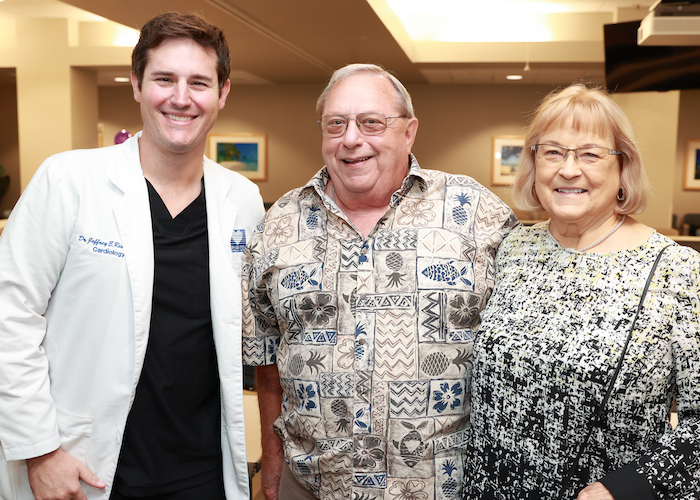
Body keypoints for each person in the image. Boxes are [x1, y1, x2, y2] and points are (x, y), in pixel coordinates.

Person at [0, 12, 265, 500]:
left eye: (199, 82)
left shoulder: (242, 200)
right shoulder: (69, 181)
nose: (181, 97)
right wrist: (40, 450)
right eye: (164, 78)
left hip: (202, 468)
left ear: (223, 93)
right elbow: (9, 316)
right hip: (88, 464)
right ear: (137, 85)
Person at [242, 63, 517, 500]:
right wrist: (271, 464)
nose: (352, 139)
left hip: (442, 487)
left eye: (372, 122)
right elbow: (266, 356)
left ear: (408, 132)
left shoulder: (476, 214)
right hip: (311, 485)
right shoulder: (279, 225)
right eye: (336, 123)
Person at [463, 84, 700, 500]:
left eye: (590, 154)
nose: (568, 170)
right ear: (534, 164)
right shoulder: (513, 248)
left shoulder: (678, 272)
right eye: (552, 152)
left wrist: (626, 488)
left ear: (623, 167)